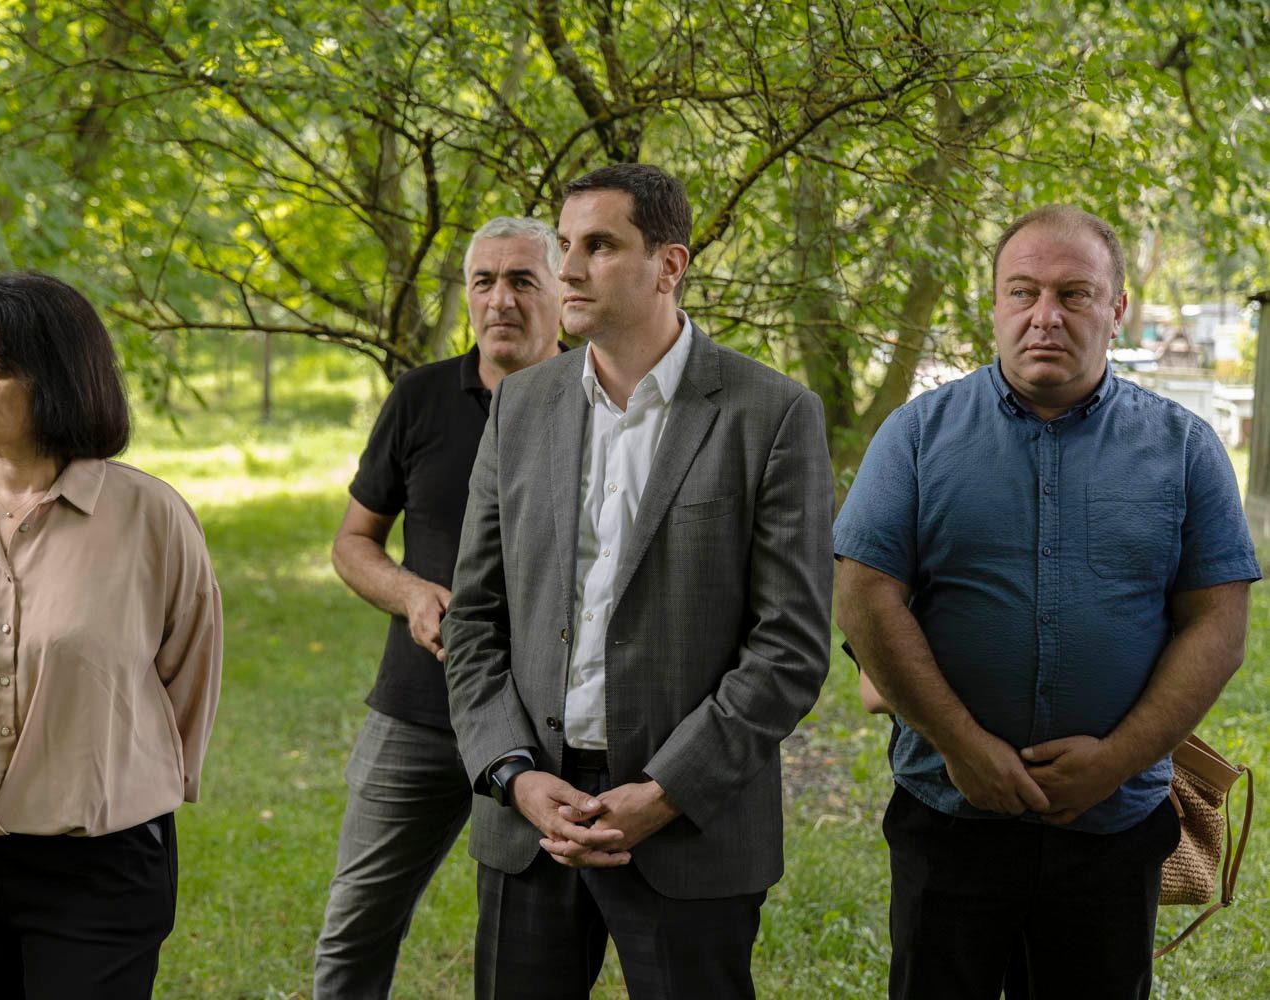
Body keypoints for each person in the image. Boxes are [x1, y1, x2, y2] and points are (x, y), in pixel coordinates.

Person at [834, 204, 1260, 999]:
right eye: (1022, 291)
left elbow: (1218, 627)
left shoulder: (1184, 448)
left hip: (1113, 826)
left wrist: (1116, 761)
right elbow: (862, 598)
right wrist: (961, 745)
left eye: (1073, 294)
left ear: (1116, 307)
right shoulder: (915, 436)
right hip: (949, 815)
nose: (1044, 316)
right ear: (993, 303)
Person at [442, 163, 834, 998]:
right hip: (531, 822)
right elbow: (473, 617)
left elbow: (789, 648)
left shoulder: (770, 415)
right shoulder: (520, 407)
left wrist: (663, 793)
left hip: (690, 826)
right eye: (564, 245)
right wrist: (515, 776)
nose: (568, 269)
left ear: (668, 265)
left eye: (599, 246)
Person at [0, 272, 223, 1000]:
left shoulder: (151, 519)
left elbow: (189, 674)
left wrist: (119, 780)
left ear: (59, 377)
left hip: (100, 859)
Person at [313, 216, 565, 998]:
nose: (500, 300)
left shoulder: (596, 400)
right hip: (418, 710)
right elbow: (352, 541)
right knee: (355, 931)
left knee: (526, 954)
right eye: (483, 281)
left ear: (561, 292)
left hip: (545, 725)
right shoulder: (420, 397)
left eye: (521, 280)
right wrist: (410, 592)